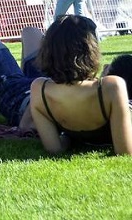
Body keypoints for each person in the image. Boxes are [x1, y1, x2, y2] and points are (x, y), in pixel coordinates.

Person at [30, 15, 132, 155]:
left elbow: (54, 148)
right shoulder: (111, 86)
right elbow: (124, 151)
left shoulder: (39, 88)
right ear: (90, 49)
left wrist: (67, 137)